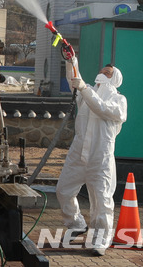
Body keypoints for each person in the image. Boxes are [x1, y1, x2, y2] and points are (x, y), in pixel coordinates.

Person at [56, 57, 127, 256]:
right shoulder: (86, 94)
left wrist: (84, 89)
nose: (102, 74)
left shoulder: (119, 100)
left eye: (108, 73)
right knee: (63, 190)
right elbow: (74, 79)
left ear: (116, 78)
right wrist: (71, 60)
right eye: (102, 71)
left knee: (101, 200)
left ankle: (100, 240)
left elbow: (101, 108)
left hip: (100, 156)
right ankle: (76, 223)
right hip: (79, 153)